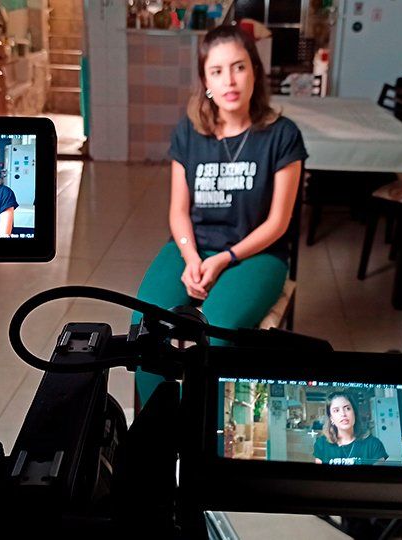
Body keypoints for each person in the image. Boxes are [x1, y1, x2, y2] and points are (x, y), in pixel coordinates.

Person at [132, 25, 307, 406]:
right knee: (145, 327)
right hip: (193, 246)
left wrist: (225, 260)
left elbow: (278, 223)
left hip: (259, 254)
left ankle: (206, 436)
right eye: (217, 70)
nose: (229, 80)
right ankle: (154, 430)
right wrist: (193, 258)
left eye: (239, 67)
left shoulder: (282, 135)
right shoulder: (190, 133)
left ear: (255, 72)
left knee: (216, 332)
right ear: (205, 80)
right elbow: (178, 211)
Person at [313, 392, 388, 465]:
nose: (343, 414)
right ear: (331, 418)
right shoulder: (321, 444)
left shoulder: (373, 444)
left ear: (354, 413)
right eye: (336, 410)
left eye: (347, 408)